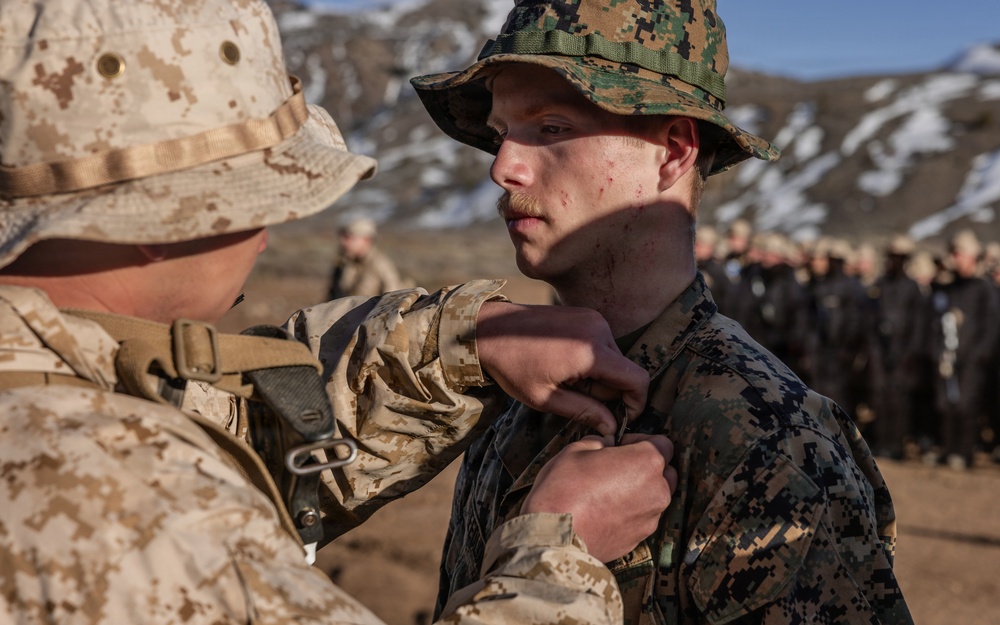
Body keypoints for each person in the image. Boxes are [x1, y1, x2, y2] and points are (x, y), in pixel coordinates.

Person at [0, 1, 680, 623]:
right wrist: (561, 555)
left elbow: (230, 425)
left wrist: (461, 339)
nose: (266, 235)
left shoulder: (47, 377)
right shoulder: (132, 506)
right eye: (256, 197)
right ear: (160, 214)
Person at [411, 1, 913, 623]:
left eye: (552, 128)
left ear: (673, 152)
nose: (502, 168)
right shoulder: (518, 387)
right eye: (500, 134)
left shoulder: (767, 437)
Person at [929, 229, 1000, 470]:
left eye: (958, 254)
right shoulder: (952, 288)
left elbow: (991, 325)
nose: (954, 259)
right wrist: (939, 351)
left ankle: (963, 452)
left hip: (973, 358)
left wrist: (979, 355)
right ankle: (948, 449)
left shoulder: (983, 288)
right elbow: (939, 320)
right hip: (949, 355)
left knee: (966, 405)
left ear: (970, 256)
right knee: (945, 404)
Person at [327, 216, 405, 299]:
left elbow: (392, 302)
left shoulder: (381, 265)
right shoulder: (343, 263)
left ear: (366, 240)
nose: (343, 242)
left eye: (348, 238)